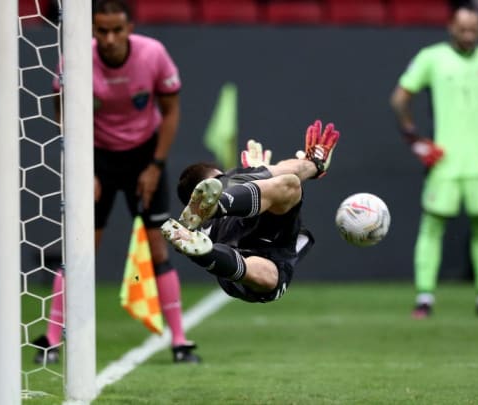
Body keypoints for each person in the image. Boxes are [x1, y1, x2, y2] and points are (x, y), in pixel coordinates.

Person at [34, 0, 199, 364]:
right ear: (92, 29)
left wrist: (155, 165)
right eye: (102, 30)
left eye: (117, 30)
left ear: (130, 28)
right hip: (96, 156)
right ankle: (51, 341)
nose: (109, 38)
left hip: (144, 155)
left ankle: (180, 341)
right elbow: (59, 110)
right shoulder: (75, 59)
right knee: (79, 249)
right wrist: (81, 166)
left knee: (158, 249)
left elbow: (170, 111)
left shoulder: (153, 55)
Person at [390, 6, 478, 319]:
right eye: (463, 28)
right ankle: (424, 298)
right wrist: (415, 140)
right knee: (433, 225)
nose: (469, 35)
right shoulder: (431, 58)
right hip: (444, 162)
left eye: (474, 29)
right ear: (451, 27)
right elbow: (400, 98)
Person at [161, 120, 339, 303]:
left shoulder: (201, 217)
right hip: (267, 239)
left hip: (231, 260)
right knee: (290, 184)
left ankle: (208, 254)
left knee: (268, 276)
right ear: (216, 173)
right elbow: (287, 169)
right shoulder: (232, 177)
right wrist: (315, 164)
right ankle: (217, 206)